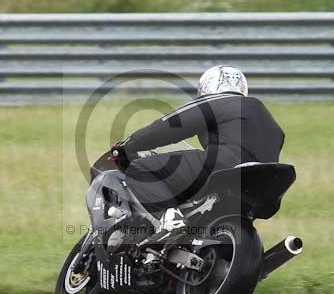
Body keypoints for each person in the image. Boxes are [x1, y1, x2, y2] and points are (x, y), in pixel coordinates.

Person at [111, 65, 285, 224]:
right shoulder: (263, 113)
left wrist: (128, 146)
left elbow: (168, 127)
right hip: (270, 180)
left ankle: (171, 218)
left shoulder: (215, 102)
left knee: (140, 169)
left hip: (226, 167)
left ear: (207, 87)